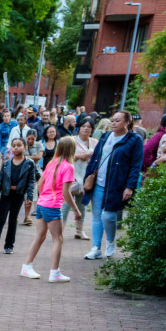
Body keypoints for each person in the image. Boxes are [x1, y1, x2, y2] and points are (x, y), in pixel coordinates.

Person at [84, 110, 144, 261]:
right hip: (99, 183)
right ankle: (96, 248)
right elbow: (95, 159)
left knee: (109, 216)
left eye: (117, 120)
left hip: (117, 185)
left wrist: (130, 186)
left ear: (127, 123)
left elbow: (135, 165)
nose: (113, 123)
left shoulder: (134, 140)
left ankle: (110, 241)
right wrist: (88, 176)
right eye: (113, 120)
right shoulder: (105, 136)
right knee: (97, 216)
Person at [22, 135, 78, 282]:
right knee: (58, 239)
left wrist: (42, 197)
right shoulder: (68, 167)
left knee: (40, 236)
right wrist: (76, 210)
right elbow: (66, 192)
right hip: (52, 205)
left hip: (42, 204)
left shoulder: (52, 163)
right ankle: (55, 272)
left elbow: (40, 183)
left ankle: (26, 266)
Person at [0, 137, 38, 256]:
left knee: (13, 219)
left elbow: (31, 182)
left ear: (25, 147)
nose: (16, 148)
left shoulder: (29, 163)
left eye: (19, 145)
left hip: (18, 195)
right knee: (1, 219)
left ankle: (9, 245)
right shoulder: (6, 163)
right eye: (13, 145)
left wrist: (29, 198)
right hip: (6, 194)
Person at [62, 119, 95, 239]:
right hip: (72, 176)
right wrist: (82, 156)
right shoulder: (72, 140)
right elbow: (65, 156)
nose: (86, 128)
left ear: (92, 129)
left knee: (82, 205)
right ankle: (60, 230)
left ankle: (79, 231)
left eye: (89, 126)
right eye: (83, 126)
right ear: (79, 128)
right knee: (65, 205)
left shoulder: (94, 142)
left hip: (86, 178)